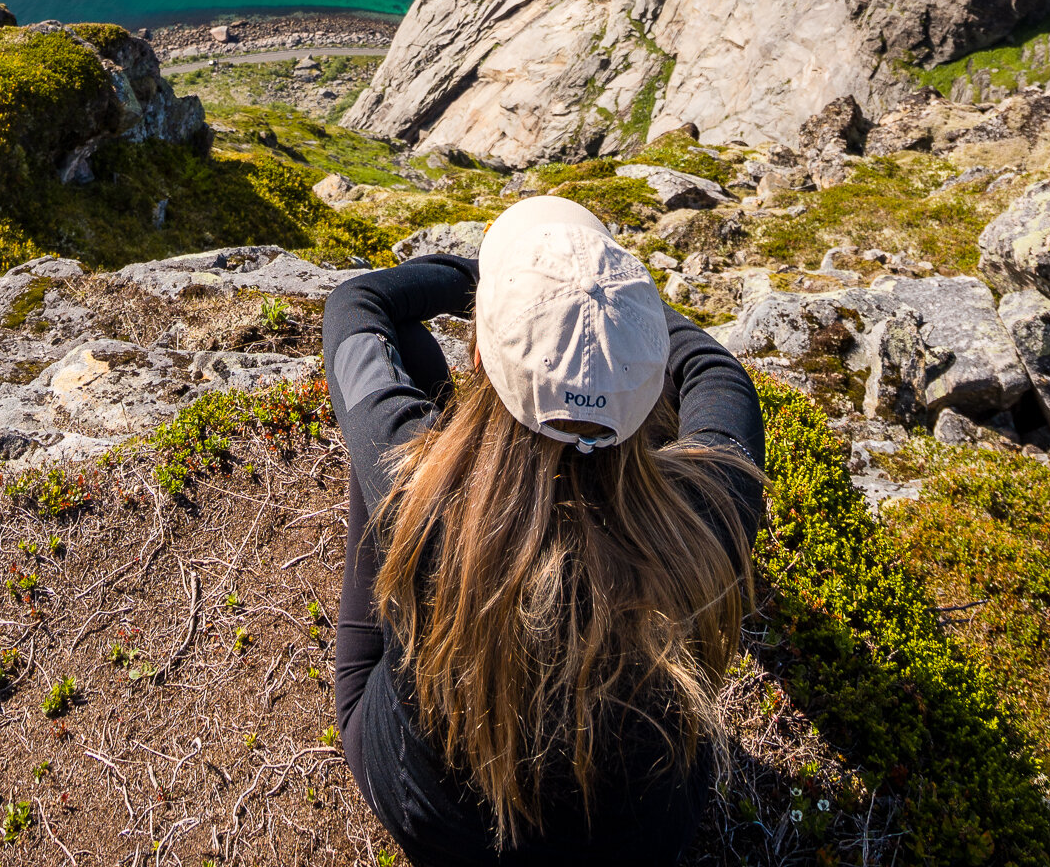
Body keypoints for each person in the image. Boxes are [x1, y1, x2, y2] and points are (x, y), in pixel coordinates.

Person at [322, 195, 765, 867]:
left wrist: (494, 281)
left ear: (479, 352)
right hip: (646, 845)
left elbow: (356, 307)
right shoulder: (709, 507)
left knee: (393, 410)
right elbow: (714, 371)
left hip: (438, 828)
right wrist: (619, 312)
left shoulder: (425, 491)